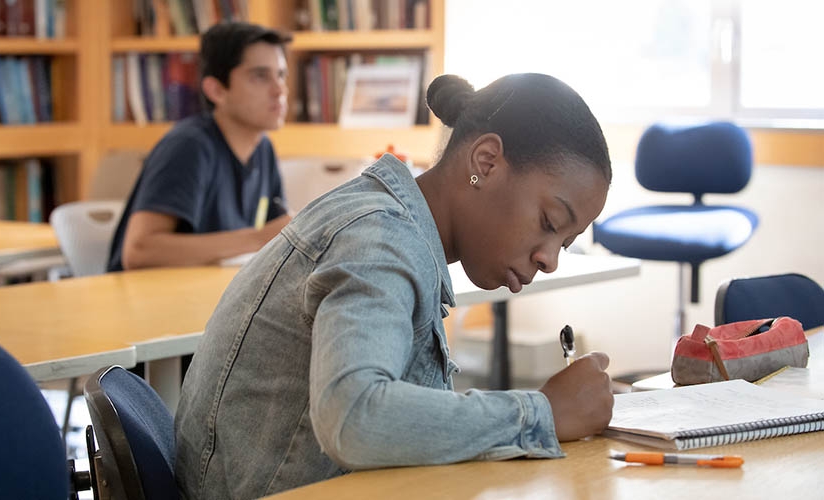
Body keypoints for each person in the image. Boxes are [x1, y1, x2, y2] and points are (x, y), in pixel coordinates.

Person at [175, 72, 615, 499]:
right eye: (549, 223)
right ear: (486, 162)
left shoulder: (393, 224)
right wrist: (542, 413)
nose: (550, 259)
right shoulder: (380, 240)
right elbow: (354, 416)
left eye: (567, 241)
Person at [107, 21, 293, 272]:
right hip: (149, 302)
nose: (280, 89)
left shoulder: (262, 148)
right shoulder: (189, 146)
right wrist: (258, 238)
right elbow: (139, 251)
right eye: (260, 76)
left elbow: (277, 232)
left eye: (281, 74)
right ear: (216, 90)